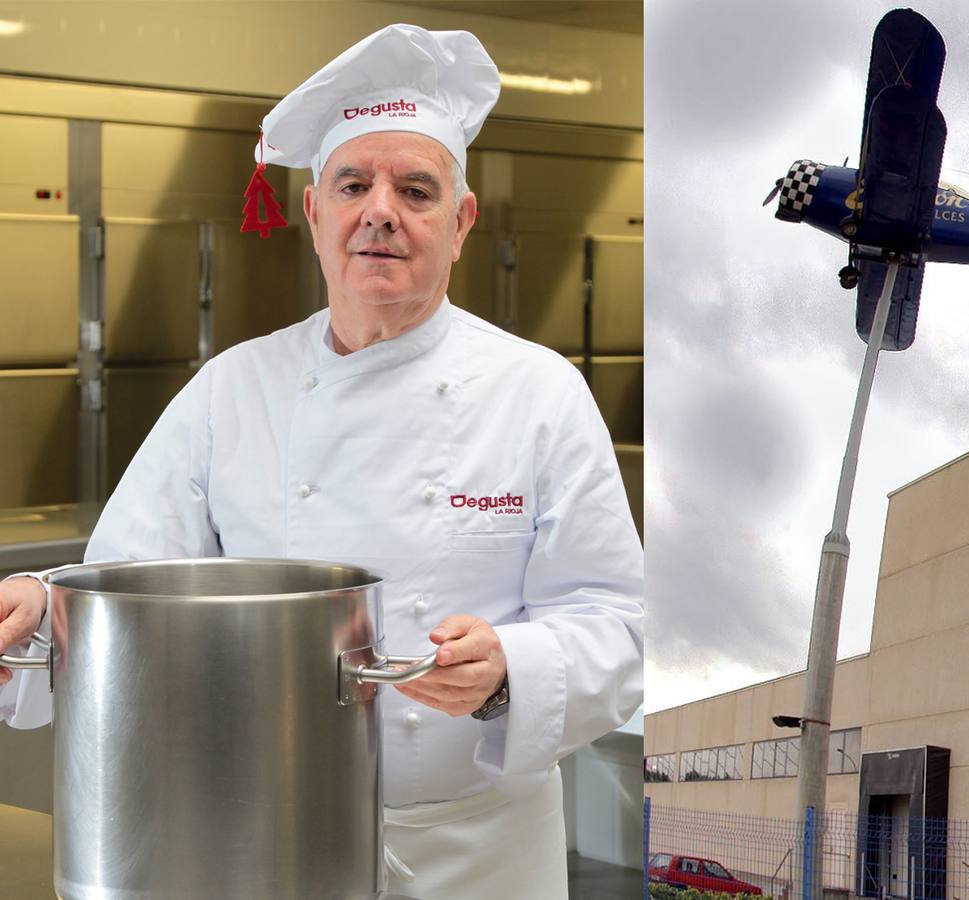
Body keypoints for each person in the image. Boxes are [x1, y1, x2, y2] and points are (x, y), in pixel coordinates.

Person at [0, 24, 642, 898]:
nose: (380, 209)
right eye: (353, 184)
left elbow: (619, 622)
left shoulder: (539, 393)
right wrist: (41, 612)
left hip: (478, 852)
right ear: (313, 215)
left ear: (460, 225)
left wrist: (510, 674)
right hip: (260, 832)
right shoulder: (234, 391)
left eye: (416, 189)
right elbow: (126, 586)